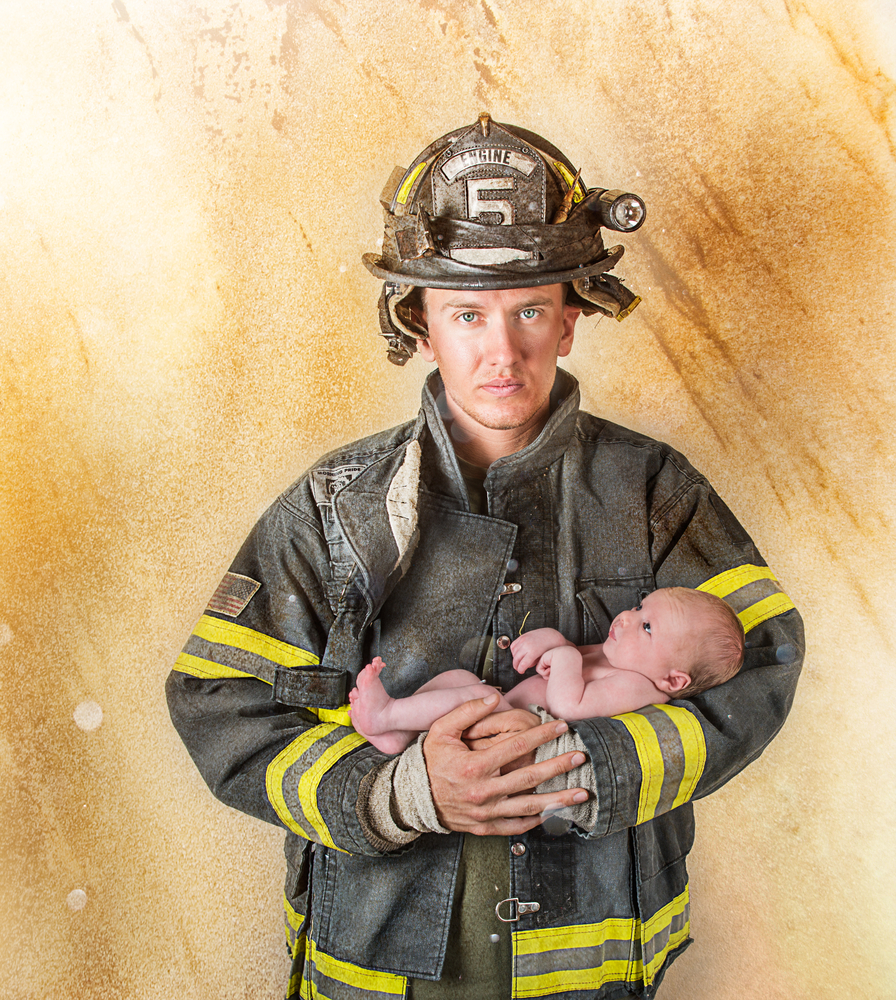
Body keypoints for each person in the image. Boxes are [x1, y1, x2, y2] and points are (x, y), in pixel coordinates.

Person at [166, 114, 803, 1000]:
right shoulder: (334, 504)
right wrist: (399, 794)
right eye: (467, 315)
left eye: (530, 311)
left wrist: (583, 765)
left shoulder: (655, 491)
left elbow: (760, 661)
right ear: (421, 326)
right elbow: (218, 701)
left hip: (593, 973)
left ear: (570, 321)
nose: (502, 353)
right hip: (373, 962)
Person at [350, 587, 745, 754]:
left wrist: (565, 656)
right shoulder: (619, 657)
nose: (626, 616)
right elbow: (569, 656)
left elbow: (569, 705)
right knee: (460, 681)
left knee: (475, 695)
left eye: (646, 627)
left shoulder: (641, 688)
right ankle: (399, 732)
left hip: (514, 734)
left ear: (673, 680)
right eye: (640, 607)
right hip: (503, 711)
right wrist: (555, 642)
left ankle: (386, 714)